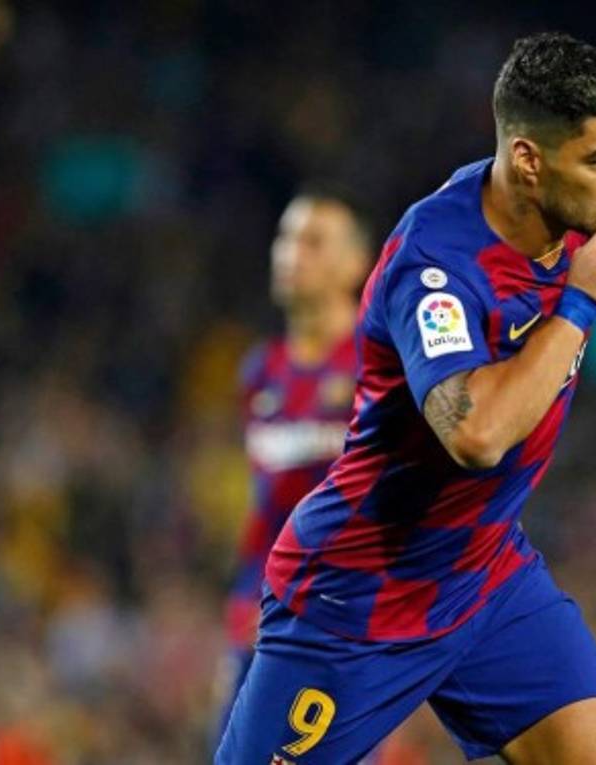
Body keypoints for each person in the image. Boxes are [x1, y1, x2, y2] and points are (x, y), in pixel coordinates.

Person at [216, 31, 596, 764]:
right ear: (529, 161)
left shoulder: (567, 222)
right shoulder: (436, 266)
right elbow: (476, 435)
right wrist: (576, 307)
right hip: (358, 596)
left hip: (484, 576)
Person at [216, 187, 370, 736]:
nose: (290, 253)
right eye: (285, 238)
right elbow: (267, 504)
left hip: (345, 616)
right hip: (260, 612)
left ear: (355, 264)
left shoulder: (379, 364)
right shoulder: (260, 371)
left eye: (313, 241)